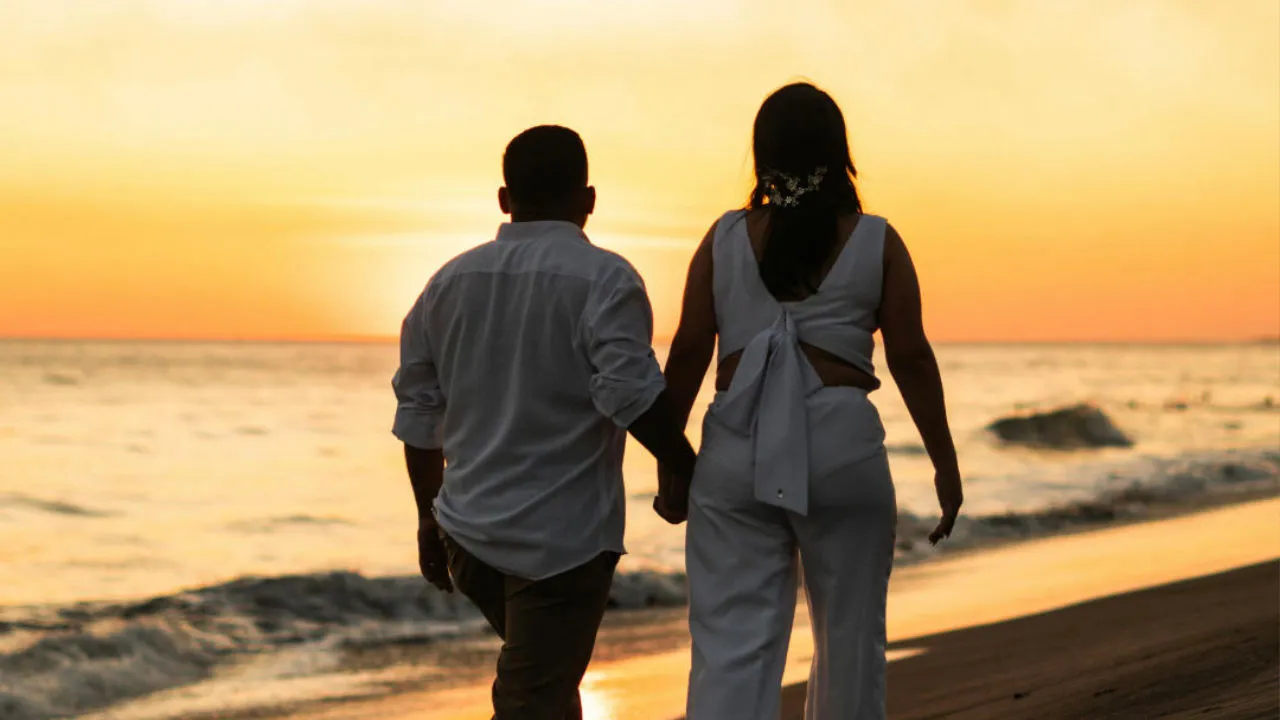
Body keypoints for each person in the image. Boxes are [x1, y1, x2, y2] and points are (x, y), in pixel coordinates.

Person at [662, 83, 963, 719]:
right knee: (851, 639)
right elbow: (910, 356)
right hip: (840, 443)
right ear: (838, 154)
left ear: (761, 154)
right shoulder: (877, 240)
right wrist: (944, 462)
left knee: (730, 642)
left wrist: (672, 461)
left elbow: (688, 352)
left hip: (734, 450)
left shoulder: (722, 240)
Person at [392, 125, 696, 720]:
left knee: (545, 683)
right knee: (531, 696)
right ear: (588, 200)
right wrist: (687, 470)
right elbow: (629, 393)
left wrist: (429, 519)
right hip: (565, 544)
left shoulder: (445, 285)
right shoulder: (605, 279)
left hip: (470, 537)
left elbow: (419, 414)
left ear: (505, 199)